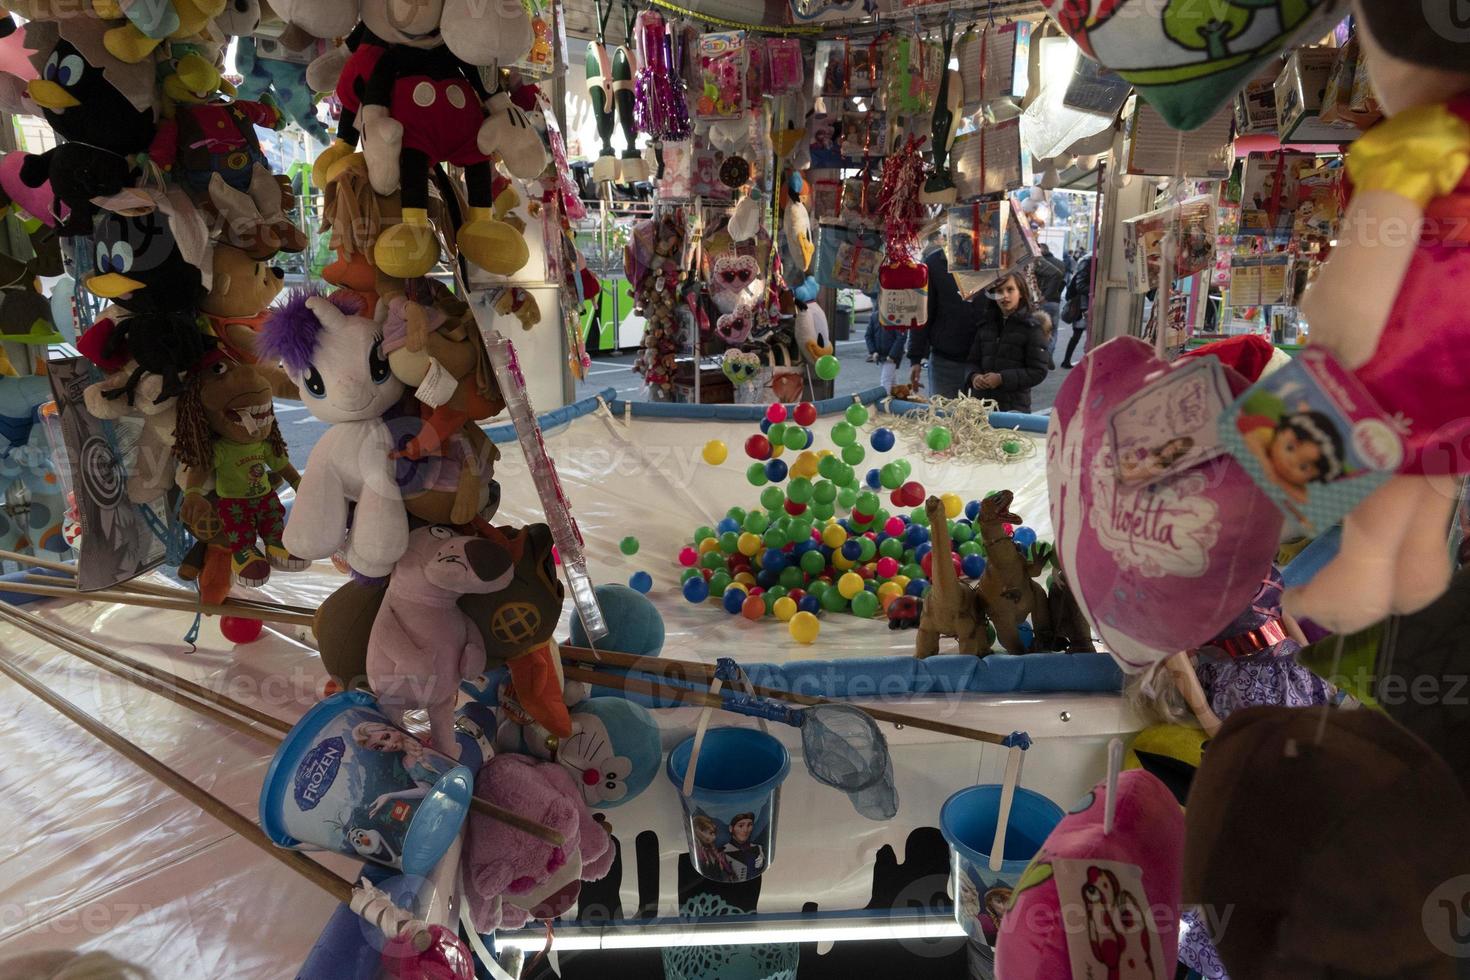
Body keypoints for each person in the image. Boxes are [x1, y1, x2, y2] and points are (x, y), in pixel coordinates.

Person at [907, 247, 1002, 398]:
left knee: (978, 418)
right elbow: (922, 311)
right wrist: (915, 357)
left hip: (985, 363)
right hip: (945, 361)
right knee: (943, 416)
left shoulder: (996, 258)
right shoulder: (935, 262)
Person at [966, 272, 1049, 413]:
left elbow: (1038, 371)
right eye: (999, 291)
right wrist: (974, 376)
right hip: (981, 406)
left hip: (1013, 408)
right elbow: (972, 361)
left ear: (1021, 292)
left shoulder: (1032, 328)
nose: (1004, 296)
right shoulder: (986, 325)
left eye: (1010, 289)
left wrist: (1001, 378)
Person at [1035, 246, 1066, 369]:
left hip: (1040, 300)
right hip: (1054, 302)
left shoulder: (1037, 263)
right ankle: (1049, 353)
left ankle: (1041, 355)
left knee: (1038, 329)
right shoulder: (1060, 263)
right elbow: (1062, 281)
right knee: (1053, 330)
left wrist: (1044, 296)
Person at [1060, 252, 1092, 369]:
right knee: (1078, 335)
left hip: (1086, 305)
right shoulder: (1088, 263)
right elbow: (1080, 286)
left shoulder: (1088, 262)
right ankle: (1067, 360)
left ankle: (1068, 361)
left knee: (1082, 335)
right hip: (1082, 307)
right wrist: (1095, 289)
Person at [722, 812, 765, 880]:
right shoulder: (722, 851)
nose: (745, 830)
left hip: (754, 883)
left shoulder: (758, 848)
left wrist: (762, 864)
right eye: (741, 826)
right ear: (731, 828)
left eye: (749, 825)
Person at [693, 814, 735, 880]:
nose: (712, 837)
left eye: (712, 833)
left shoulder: (715, 849)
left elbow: (722, 860)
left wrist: (729, 872)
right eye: (710, 833)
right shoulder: (702, 851)